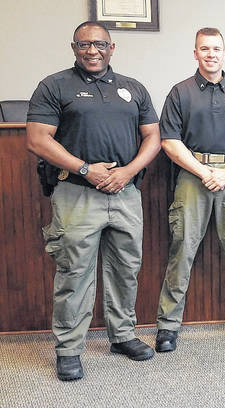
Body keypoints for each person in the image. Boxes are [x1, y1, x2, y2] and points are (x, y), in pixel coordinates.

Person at [26, 21, 161, 381]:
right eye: (84, 45)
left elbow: (153, 137)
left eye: (99, 45)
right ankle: (69, 349)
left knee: (126, 269)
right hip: (76, 193)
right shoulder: (54, 86)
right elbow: (38, 140)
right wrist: (87, 169)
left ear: (112, 48)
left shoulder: (132, 88)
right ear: (74, 48)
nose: (92, 51)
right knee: (74, 273)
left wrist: (127, 172)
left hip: (125, 192)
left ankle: (123, 336)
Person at [155, 27, 225, 351]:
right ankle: (168, 326)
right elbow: (170, 142)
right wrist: (204, 171)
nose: (211, 54)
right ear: (195, 53)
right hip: (192, 174)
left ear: (224, 53)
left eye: (216, 48)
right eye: (205, 49)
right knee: (182, 247)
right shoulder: (180, 92)